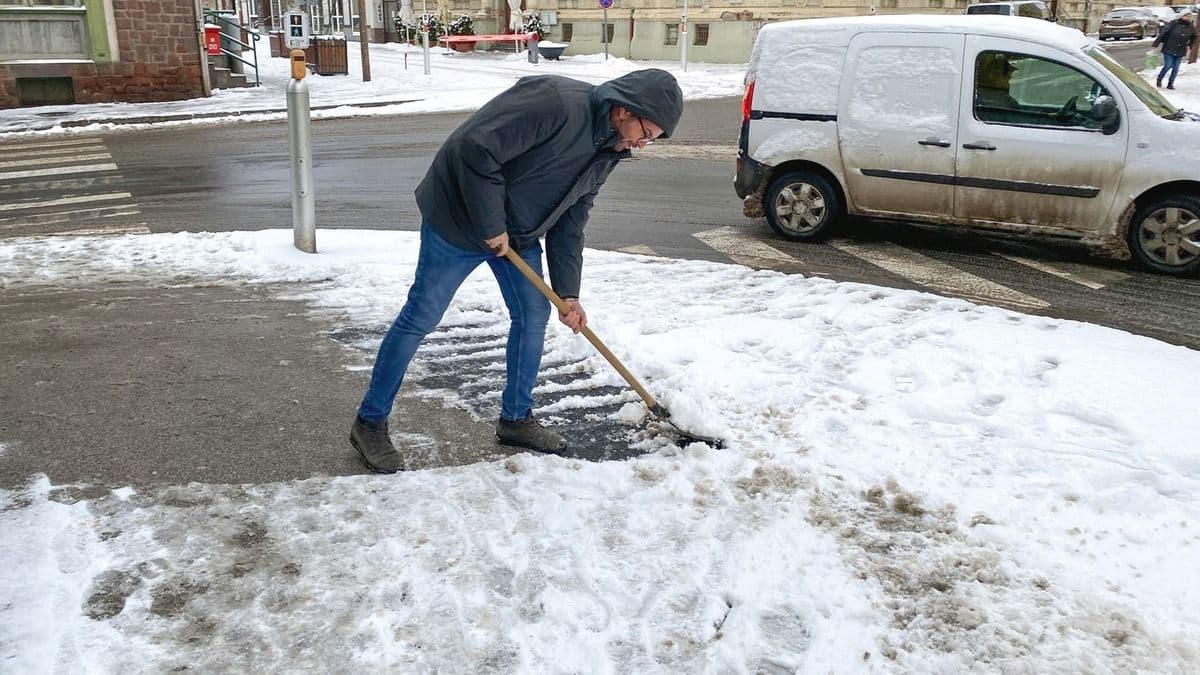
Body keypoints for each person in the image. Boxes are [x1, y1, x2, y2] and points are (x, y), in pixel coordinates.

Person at [349, 69, 684, 473]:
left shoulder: (609, 149)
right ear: (624, 109)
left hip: (518, 232)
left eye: (652, 139)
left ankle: (516, 418)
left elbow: (572, 218)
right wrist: (491, 224)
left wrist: (568, 293)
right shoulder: (555, 102)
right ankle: (369, 422)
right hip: (457, 219)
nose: (643, 144)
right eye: (645, 132)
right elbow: (473, 148)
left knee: (533, 315)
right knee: (422, 315)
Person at [1153, 10, 1196, 90]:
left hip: (1180, 50)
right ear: (1181, 16)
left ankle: (1170, 83)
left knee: (1176, 68)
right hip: (1169, 48)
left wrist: (1190, 45)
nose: (1188, 18)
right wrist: (1156, 43)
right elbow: (1164, 32)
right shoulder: (1174, 23)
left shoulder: (1190, 25)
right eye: (1186, 16)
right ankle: (1159, 79)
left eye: (1189, 16)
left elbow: (1194, 36)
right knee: (1168, 65)